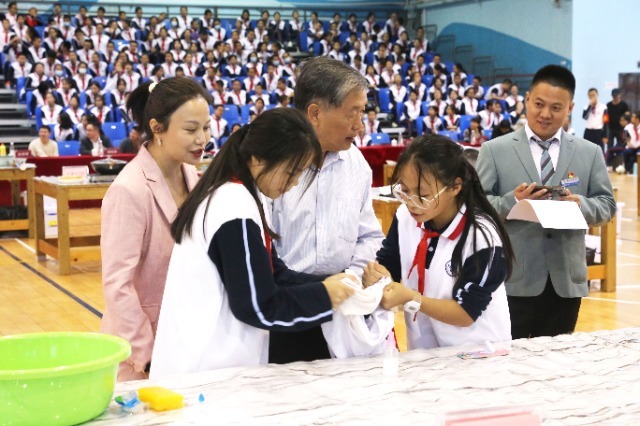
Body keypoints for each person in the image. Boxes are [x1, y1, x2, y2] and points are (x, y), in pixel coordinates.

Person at [150, 108, 355, 378]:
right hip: (204, 371)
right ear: (258, 160)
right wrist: (325, 296)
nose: (294, 183)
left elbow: (275, 274)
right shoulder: (232, 205)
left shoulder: (244, 196)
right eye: (291, 172)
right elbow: (258, 306)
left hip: (211, 366)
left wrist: (339, 283)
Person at [476, 65, 616, 339]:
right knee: (513, 359)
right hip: (514, 279)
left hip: (566, 281)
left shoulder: (589, 153)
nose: (545, 114)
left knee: (559, 359)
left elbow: (607, 205)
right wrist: (513, 201)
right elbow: (476, 208)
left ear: (570, 108)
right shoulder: (495, 150)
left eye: (556, 108)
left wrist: (580, 205)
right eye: (539, 104)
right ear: (527, 99)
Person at [269, 56, 385, 363]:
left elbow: (369, 236)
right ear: (315, 113)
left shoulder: (357, 165)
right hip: (285, 308)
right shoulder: (272, 165)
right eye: (352, 113)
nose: (359, 126)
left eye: (362, 113)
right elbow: (262, 249)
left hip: (342, 308)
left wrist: (352, 278)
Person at [101, 78, 212, 381]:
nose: (202, 139)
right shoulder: (129, 190)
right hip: (141, 352)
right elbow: (117, 284)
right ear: (157, 128)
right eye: (191, 129)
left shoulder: (192, 176)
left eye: (206, 127)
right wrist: (146, 354)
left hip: (185, 338)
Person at [362, 136, 513, 349]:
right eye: (404, 191)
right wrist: (378, 276)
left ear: (455, 187)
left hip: (478, 352)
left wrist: (411, 299)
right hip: (425, 351)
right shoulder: (405, 217)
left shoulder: (481, 236)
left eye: (423, 195)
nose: (411, 203)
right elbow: (390, 264)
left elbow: (466, 313)